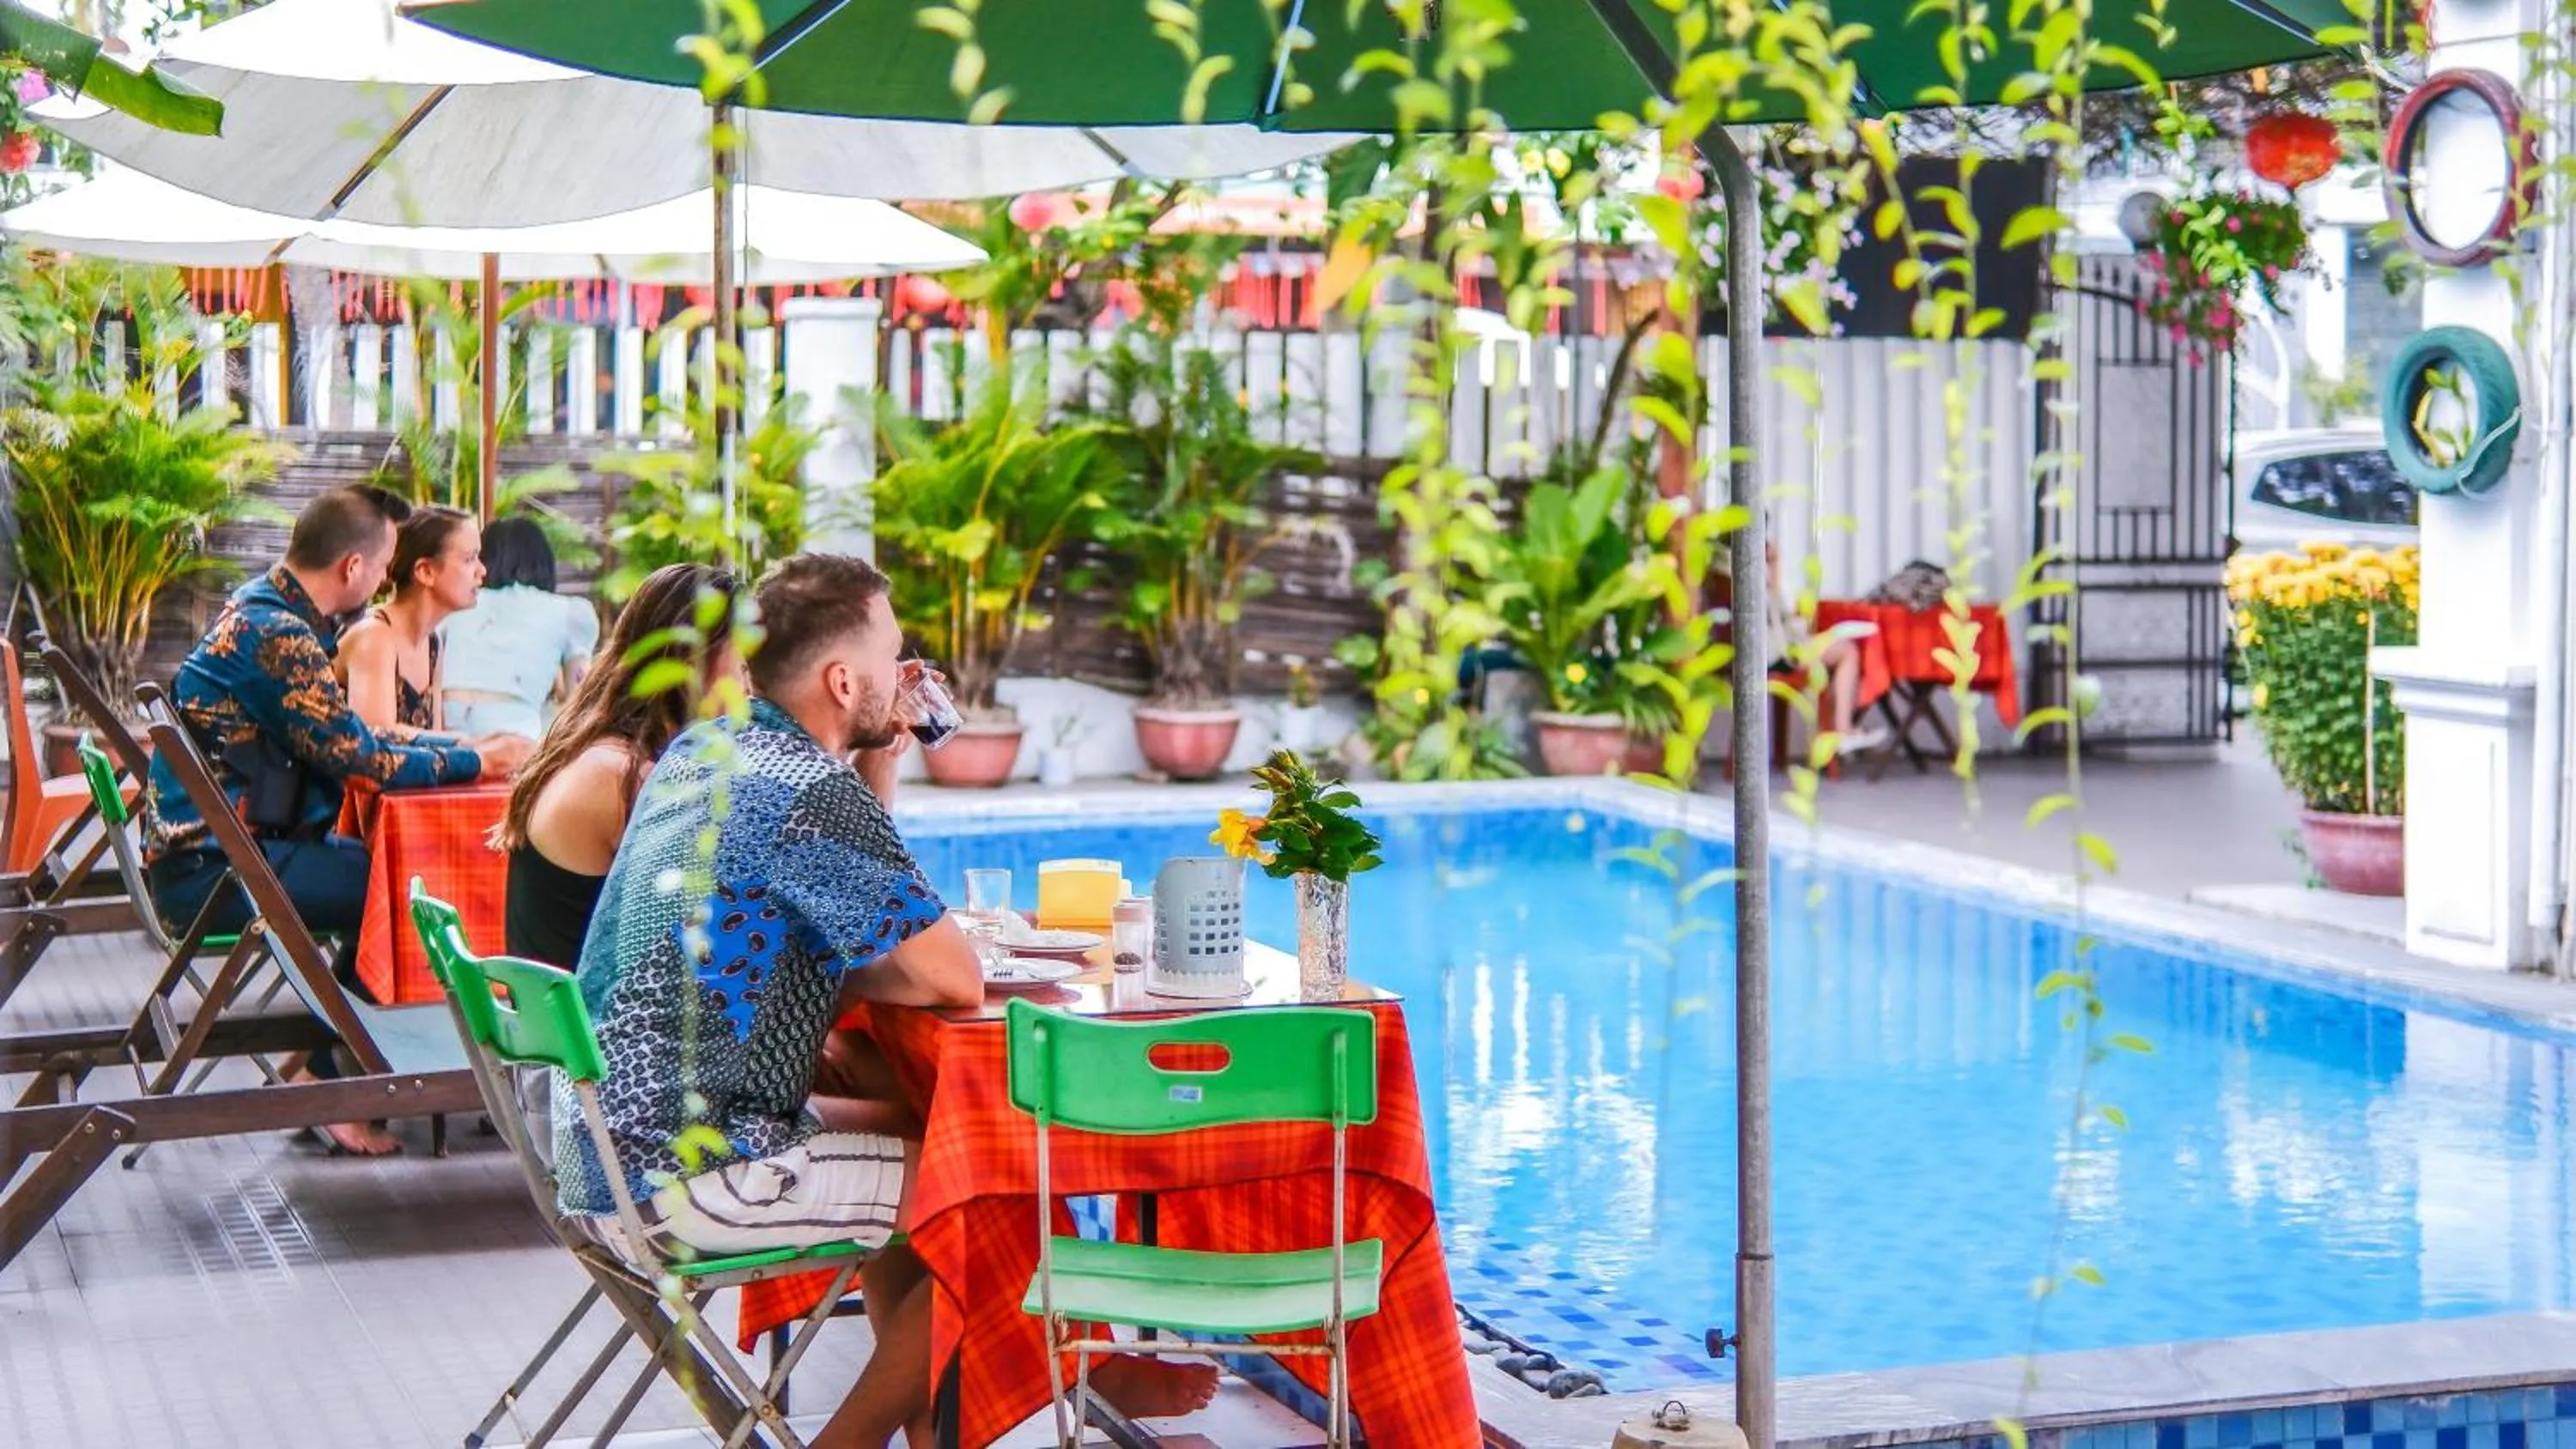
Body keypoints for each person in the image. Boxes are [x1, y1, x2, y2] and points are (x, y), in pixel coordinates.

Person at [146, 484, 534, 1155]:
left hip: (219, 855)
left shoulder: (264, 611)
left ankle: (340, 1064)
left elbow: (357, 734)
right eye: (385, 565)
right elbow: (361, 761)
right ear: (353, 568)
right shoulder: (281, 636)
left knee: (394, 876)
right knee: (407, 891)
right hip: (218, 872)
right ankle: (341, 1080)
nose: (388, 578)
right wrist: (475, 763)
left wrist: (469, 751)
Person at [496, 561, 740, 971]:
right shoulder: (622, 777)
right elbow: (713, 924)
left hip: (556, 1019)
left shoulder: (589, 745)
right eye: (744, 666)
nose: (749, 690)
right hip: (591, 1029)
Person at [440, 517, 601, 739]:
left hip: (447, 733)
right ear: (543, 560)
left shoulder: (453, 607)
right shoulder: (568, 613)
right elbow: (578, 702)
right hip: (518, 737)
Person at [337, 505, 481, 737]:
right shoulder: (375, 635)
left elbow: (435, 748)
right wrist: (473, 746)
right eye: (469, 559)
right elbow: (377, 738)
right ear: (425, 572)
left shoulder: (432, 642)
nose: (481, 571)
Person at [1765, 534, 1888, 757]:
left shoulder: (1722, 570)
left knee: (1839, 649)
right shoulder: (1753, 577)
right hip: (1778, 654)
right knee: (1847, 651)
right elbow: (1777, 616)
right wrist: (1775, 567)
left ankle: (1833, 730)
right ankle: (1842, 731)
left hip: (1770, 650)